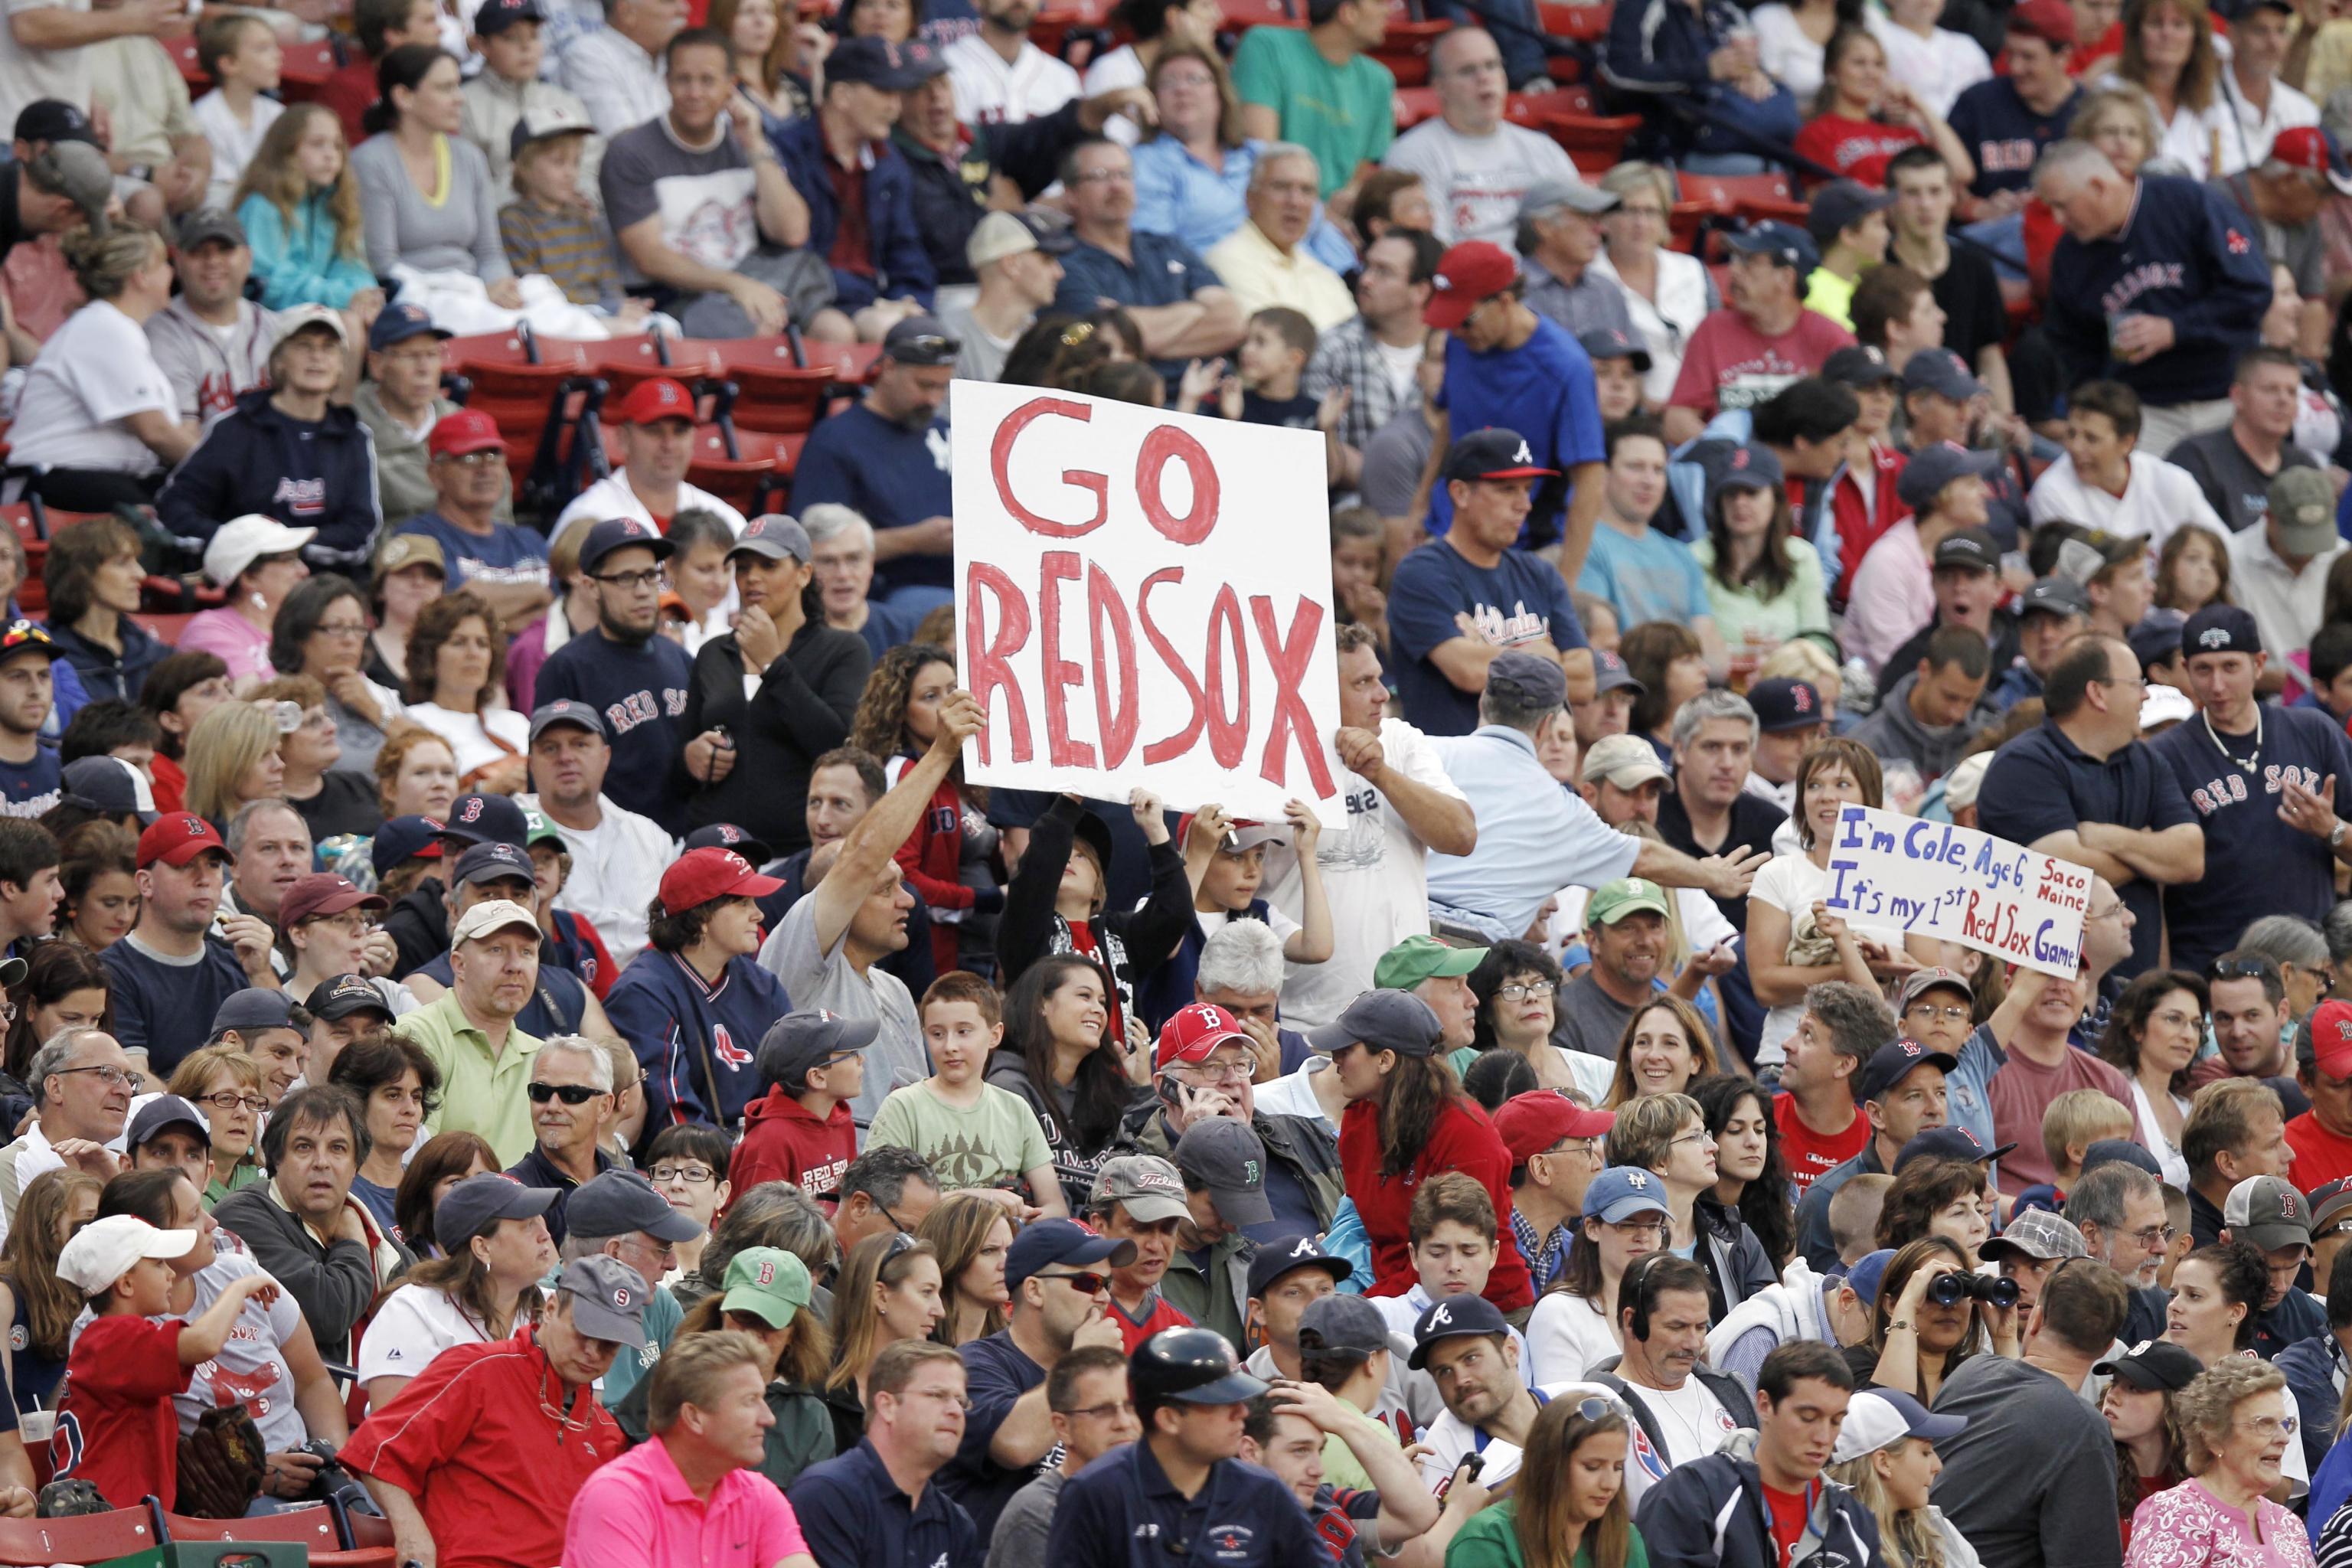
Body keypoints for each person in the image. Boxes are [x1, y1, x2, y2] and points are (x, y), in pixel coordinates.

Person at [343, 1253, 642, 1568]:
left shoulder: (605, 1431)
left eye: (610, 1344)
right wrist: (411, 1532)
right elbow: (375, 1452)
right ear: (551, 1310)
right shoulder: (478, 1370)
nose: (593, 1352)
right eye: (583, 1332)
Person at [1976, 635, 2201, 982]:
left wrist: (2111, 839)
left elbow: (2190, 858)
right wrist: (2151, 855)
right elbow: (2066, 873)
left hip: (2133, 992)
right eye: (2136, 683)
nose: (2145, 694)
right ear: (2097, 694)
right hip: (2044, 989)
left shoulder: (2147, 761)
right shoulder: (2023, 764)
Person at [2035, 139, 2275, 453]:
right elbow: (2070, 344)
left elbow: (2252, 290)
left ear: (2098, 187)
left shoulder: (2187, 202)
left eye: (2063, 205)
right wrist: (2099, 406)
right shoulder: (2070, 256)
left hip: (2224, 398)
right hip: (2143, 412)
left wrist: (2175, 329)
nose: (2057, 219)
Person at [48, 1210, 276, 1511]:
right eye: (158, 1264)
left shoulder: (106, 1339)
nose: (170, 1273)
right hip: (112, 1522)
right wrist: (237, 1289)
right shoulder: (114, 1336)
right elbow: (205, 1341)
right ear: (126, 1284)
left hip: (107, 1515)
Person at [1047, 1325, 1321, 1567]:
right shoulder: (1095, 1493)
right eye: (1223, 1404)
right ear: (1169, 1418)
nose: (1242, 1414)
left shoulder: (1264, 1491)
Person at [1628, 1341, 1873, 1568]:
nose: (1823, 1436)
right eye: (1808, 1417)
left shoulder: (1854, 1521)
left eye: (1836, 1421)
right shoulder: (1690, 1494)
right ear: (1765, 1405)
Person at [211, 1082, 405, 1366]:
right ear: (278, 1158)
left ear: (356, 1166)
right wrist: (353, 1244)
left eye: (338, 1148)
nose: (321, 1162)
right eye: (304, 1147)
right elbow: (328, 1313)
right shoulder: (243, 1216)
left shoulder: (383, 1241)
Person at [5, 225, 198, 510]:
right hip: (55, 479)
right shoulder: (104, 325)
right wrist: (221, 469)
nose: (171, 273)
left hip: (99, 479)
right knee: (165, 529)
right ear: (141, 276)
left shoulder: (116, 326)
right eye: (164, 265)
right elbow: (155, 431)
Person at [531, 518, 700, 837]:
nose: (642, 592)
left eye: (651, 576)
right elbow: (544, 779)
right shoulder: (567, 668)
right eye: (625, 578)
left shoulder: (681, 659)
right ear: (591, 586)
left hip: (685, 842)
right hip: (609, 847)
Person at [783, 324, 960, 607]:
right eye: (924, 385)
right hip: (888, 590)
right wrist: (913, 541)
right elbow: (813, 545)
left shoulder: (948, 432)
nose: (933, 400)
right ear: (888, 368)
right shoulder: (837, 440)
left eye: (942, 387)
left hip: (965, 579)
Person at [789, 1339, 981, 1568]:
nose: (955, 1411)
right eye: (937, 1395)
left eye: (961, 1401)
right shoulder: (826, 1494)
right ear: (887, 1405)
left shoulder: (955, 1522)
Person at [1663, 223, 1857, 446]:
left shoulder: (1832, 340)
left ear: (1785, 278)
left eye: (1748, 262)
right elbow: (1677, 420)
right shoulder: (1713, 330)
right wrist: (1737, 455)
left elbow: (1851, 429)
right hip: (1731, 472)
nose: (1733, 271)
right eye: (1734, 260)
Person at [2127, 1358, 2314, 1566]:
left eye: (2286, 1424)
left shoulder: (2288, 1524)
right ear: (2213, 1436)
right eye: (2265, 1424)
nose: (2284, 1438)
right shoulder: (2175, 1512)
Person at [1444, 1392, 1651, 1568]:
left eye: (1618, 1467)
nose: (1609, 1484)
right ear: (1549, 1464)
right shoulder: (1487, 1540)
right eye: (1592, 1467)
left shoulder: (1625, 1538)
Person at [144, 207, 277, 426]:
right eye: (199, 251)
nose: (213, 261)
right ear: (177, 261)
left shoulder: (275, 328)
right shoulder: (162, 333)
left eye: (225, 250)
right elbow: (182, 433)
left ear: (248, 258)